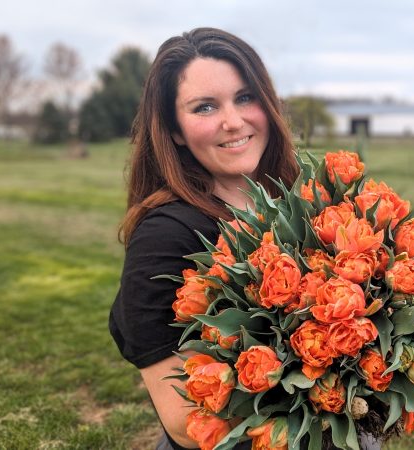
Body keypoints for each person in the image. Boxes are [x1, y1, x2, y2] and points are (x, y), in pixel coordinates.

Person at [108, 27, 299, 449]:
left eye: (245, 97)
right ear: (174, 130)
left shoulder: (302, 206)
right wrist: (339, 389)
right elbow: (184, 423)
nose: (233, 121)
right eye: (205, 107)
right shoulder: (165, 237)